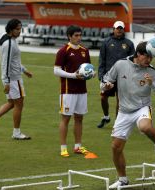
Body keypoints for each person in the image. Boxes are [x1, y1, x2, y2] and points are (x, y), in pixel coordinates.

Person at [101, 41, 155, 189]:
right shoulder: (120, 65)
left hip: (142, 107)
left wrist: (152, 84)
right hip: (124, 111)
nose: (149, 61)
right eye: (147, 57)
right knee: (116, 147)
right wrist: (106, 85)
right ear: (139, 54)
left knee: (144, 127)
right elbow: (105, 80)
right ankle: (123, 179)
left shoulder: (151, 71)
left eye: (151, 58)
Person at [54, 25, 94, 157]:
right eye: (76, 35)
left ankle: (78, 146)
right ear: (69, 36)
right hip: (68, 90)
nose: (79, 38)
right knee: (65, 119)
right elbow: (56, 70)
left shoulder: (85, 51)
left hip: (82, 90)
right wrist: (73, 75)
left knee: (79, 118)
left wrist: (91, 74)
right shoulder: (63, 51)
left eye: (80, 35)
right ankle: (63, 148)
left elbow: (88, 68)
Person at [0, 19, 32, 139]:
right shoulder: (9, 44)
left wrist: (24, 70)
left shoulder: (10, 40)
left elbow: (14, 61)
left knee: (11, 103)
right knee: (19, 104)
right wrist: (6, 82)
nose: (20, 31)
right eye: (17, 29)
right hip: (14, 79)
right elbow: (5, 64)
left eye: (20, 29)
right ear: (11, 29)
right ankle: (16, 133)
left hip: (13, 77)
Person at [97, 20, 135, 128]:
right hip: (109, 76)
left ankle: (118, 123)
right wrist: (101, 75)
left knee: (120, 101)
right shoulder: (106, 42)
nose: (119, 30)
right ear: (113, 29)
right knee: (103, 97)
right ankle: (106, 116)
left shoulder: (129, 43)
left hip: (124, 77)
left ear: (123, 30)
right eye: (117, 28)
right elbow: (101, 60)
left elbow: (133, 61)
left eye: (121, 28)